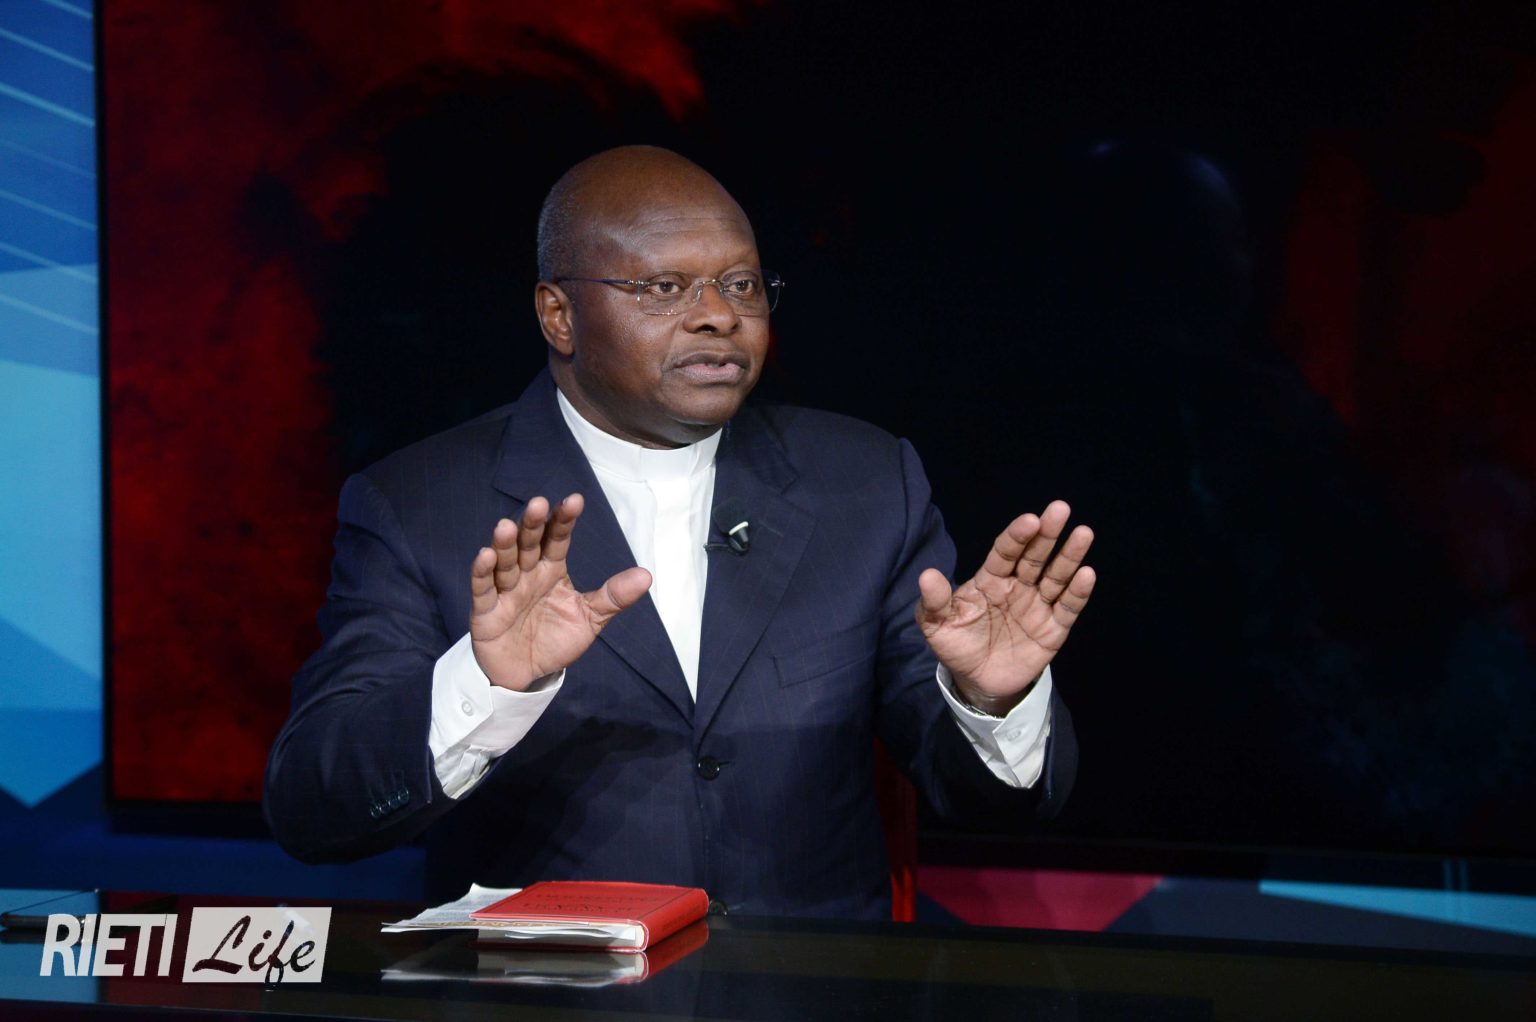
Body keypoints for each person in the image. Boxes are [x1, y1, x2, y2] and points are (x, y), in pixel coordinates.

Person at [263, 146, 1096, 919]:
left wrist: (992, 702)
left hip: (813, 996)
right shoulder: (420, 504)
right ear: (559, 315)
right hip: (549, 1000)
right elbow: (312, 808)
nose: (718, 317)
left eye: (741, 285)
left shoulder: (867, 483)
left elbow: (984, 797)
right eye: (665, 288)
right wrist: (485, 685)